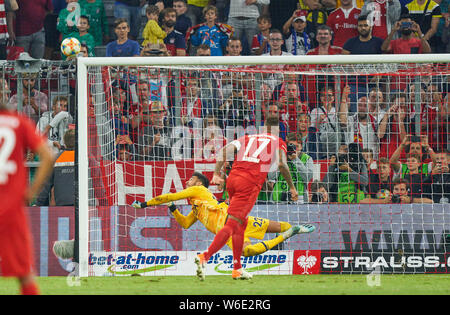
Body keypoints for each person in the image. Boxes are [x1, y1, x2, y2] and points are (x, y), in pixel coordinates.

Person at [196, 116, 300, 280]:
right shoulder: (278, 141)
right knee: (232, 224)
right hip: (249, 184)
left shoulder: (247, 138)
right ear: (277, 130)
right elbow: (282, 165)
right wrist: (292, 187)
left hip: (233, 179)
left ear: (262, 128)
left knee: (241, 224)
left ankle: (237, 268)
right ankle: (205, 257)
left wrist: (216, 173)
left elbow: (224, 151)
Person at [131, 171, 314, 257]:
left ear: (199, 184)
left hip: (231, 221)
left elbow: (169, 196)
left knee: (273, 227)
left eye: (192, 179)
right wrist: (173, 208)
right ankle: (291, 232)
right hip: (231, 227)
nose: (188, 181)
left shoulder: (199, 191)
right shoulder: (197, 206)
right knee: (248, 251)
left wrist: (144, 204)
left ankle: (294, 229)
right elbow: (185, 224)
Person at [0, 78, 54, 295]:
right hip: (11, 207)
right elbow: (47, 157)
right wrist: (31, 191)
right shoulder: (19, 123)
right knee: (24, 274)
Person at [35, 129, 75, 206]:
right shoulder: (86, 157)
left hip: (62, 203)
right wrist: (103, 201)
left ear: (65, 143)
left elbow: (46, 185)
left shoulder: (56, 158)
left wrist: (38, 203)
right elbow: (97, 181)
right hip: (83, 203)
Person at [270, 133, 314, 203]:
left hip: (299, 200)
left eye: (296, 146)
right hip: (278, 199)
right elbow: (271, 176)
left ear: (301, 147)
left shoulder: (307, 158)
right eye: (291, 146)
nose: (294, 149)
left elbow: (307, 177)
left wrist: (295, 159)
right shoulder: (279, 156)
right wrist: (282, 160)